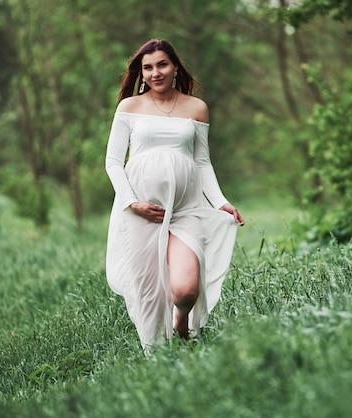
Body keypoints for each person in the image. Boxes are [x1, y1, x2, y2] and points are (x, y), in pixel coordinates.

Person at [104, 39, 244, 352]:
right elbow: (113, 162)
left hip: (185, 208)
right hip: (142, 209)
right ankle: (158, 356)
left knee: (184, 290)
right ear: (141, 73)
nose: (156, 73)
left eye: (162, 65)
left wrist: (220, 201)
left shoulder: (196, 108)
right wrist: (132, 203)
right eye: (148, 67)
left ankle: (181, 321)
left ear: (175, 66)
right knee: (150, 290)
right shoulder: (130, 107)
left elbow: (202, 162)